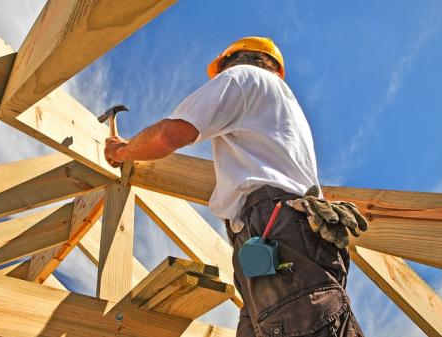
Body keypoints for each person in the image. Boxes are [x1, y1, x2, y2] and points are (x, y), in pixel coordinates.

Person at [104, 36, 365, 337]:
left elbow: (168, 135)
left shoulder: (243, 78)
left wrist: (122, 151)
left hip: (274, 230)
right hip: (283, 236)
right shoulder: (282, 107)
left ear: (231, 61)